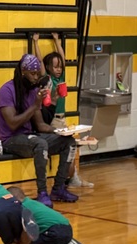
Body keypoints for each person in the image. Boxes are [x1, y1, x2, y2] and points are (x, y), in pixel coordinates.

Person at [0, 53, 78, 207]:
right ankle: (42, 192)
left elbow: (40, 125)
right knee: (40, 144)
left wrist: (60, 131)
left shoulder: (33, 91)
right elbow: (12, 124)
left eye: (37, 74)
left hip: (29, 136)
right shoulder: (7, 91)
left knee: (69, 142)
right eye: (32, 74)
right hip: (11, 139)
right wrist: (35, 105)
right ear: (23, 72)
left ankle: (59, 187)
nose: (35, 78)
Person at [33, 32, 92, 189]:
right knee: (67, 147)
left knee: (71, 147)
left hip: (62, 117)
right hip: (53, 119)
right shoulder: (48, 79)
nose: (59, 69)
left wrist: (57, 40)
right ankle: (69, 178)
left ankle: (72, 177)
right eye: (55, 67)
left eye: (60, 67)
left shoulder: (62, 78)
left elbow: (63, 59)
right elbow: (39, 61)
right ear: (49, 68)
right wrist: (36, 43)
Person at [7, 186, 73, 244]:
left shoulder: (22, 207)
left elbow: (26, 232)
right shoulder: (32, 202)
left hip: (54, 232)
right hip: (67, 229)